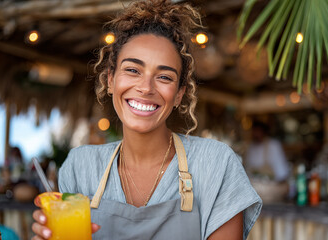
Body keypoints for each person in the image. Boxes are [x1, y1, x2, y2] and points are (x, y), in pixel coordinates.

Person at [31, 1, 262, 239]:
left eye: (164, 77)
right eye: (132, 70)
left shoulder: (215, 165)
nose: (145, 87)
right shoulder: (81, 167)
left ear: (179, 94)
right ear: (110, 80)